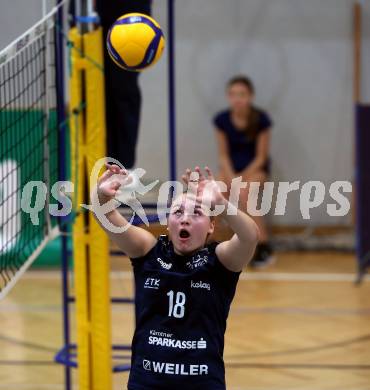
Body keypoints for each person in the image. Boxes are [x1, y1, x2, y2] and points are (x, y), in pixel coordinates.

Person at [92, 164, 259, 389]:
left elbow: (250, 236)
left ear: (211, 226)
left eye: (196, 213)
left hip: (201, 382)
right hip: (148, 381)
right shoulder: (148, 251)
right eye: (178, 212)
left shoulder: (220, 261)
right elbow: (102, 213)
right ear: (169, 224)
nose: (185, 219)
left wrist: (220, 204)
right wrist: (101, 194)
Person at [213, 75, 274, 268]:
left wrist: (240, 180)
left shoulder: (261, 120)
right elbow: (223, 155)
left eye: (242, 94)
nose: (238, 99)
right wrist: (231, 177)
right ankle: (208, 242)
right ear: (228, 97)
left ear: (251, 96)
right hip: (231, 169)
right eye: (233, 94)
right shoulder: (222, 120)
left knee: (246, 193)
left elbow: (261, 157)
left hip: (254, 169)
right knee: (215, 192)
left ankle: (263, 246)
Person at [96, 0, 152, 169]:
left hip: (130, 14)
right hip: (91, 14)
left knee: (122, 88)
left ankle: (123, 167)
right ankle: (96, 165)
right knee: (94, 90)